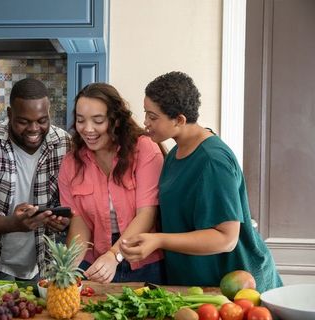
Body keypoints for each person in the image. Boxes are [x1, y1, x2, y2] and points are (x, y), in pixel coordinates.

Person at [120, 71, 283, 292]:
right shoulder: (176, 151)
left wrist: (158, 240)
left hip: (235, 286)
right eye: (146, 113)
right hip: (197, 283)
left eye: (153, 116)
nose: (146, 122)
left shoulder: (212, 160)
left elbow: (226, 238)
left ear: (179, 120)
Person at [0, 78, 71, 282]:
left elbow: (71, 202)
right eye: (23, 121)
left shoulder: (63, 144)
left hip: (43, 265)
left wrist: (63, 222)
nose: (33, 129)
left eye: (41, 120)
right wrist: (13, 223)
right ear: (10, 114)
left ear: (49, 113)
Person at [58, 83, 165, 284]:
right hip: (95, 261)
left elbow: (147, 214)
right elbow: (79, 223)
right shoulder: (71, 163)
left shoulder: (144, 148)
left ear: (115, 120)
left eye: (98, 120)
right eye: (81, 120)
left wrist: (114, 255)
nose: (87, 129)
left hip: (143, 261)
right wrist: (68, 268)